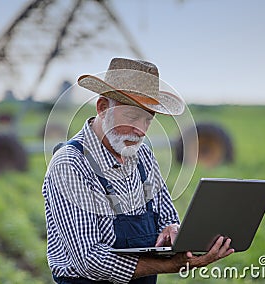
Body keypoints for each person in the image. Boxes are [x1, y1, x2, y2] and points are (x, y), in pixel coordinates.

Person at [42, 58, 234, 284]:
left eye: (148, 120)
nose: (141, 131)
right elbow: (89, 259)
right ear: (103, 108)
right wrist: (169, 265)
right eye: (132, 117)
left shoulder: (143, 155)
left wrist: (172, 230)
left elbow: (167, 215)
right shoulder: (70, 165)